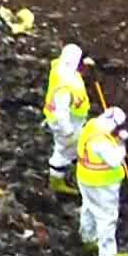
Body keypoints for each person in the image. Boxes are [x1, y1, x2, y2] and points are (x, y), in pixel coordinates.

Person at [76, 107, 128, 256]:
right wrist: (122, 145)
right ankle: (107, 254)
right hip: (101, 184)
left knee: (88, 207)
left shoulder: (92, 125)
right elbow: (114, 160)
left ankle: (87, 238)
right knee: (107, 217)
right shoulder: (100, 141)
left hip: (85, 178)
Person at [42, 43, 91, 195]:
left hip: (71, 120)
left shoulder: (61, 68)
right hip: (66, 123)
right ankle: (56, 182)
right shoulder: (64, 87)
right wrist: (68, 132)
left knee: (72, 149)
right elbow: (61, 113)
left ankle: (74, 168)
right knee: (63, 152)